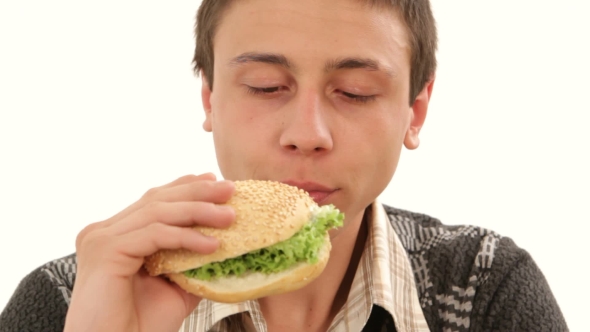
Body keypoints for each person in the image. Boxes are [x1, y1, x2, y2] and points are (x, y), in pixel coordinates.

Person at [0, 0, 568, 331]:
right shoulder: (70, 298)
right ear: (210, 99)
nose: (307, 135)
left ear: (415, 110)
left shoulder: (487, 287)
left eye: (355, 91)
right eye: (266, 86)